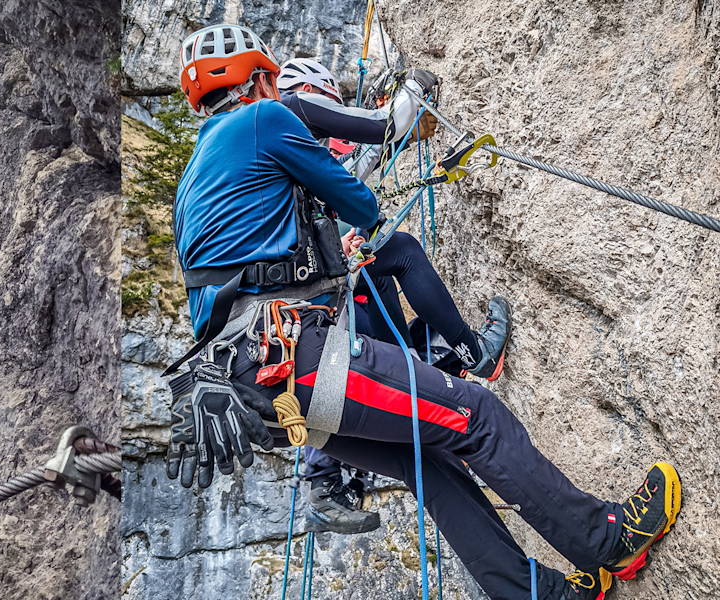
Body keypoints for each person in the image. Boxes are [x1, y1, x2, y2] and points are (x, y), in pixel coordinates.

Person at [167, 24, 679, 600]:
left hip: (255, 391)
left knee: (429, 458)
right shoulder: (264, 118)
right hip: (301, 358)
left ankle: (541, 594)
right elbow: (358, 202)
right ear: (259, 78)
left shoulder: (189, 185)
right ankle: (609, 539)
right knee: (477, 416)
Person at [272, 56, 513, 535]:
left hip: (294, 306)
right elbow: (377, 144)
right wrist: (415, 88)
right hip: (322, 292)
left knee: (362, 305)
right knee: (398, 252)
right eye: (330, 105)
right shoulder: (299, 131)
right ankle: (472, 352)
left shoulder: (268, 164)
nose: (333, 115)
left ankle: (328, 473)